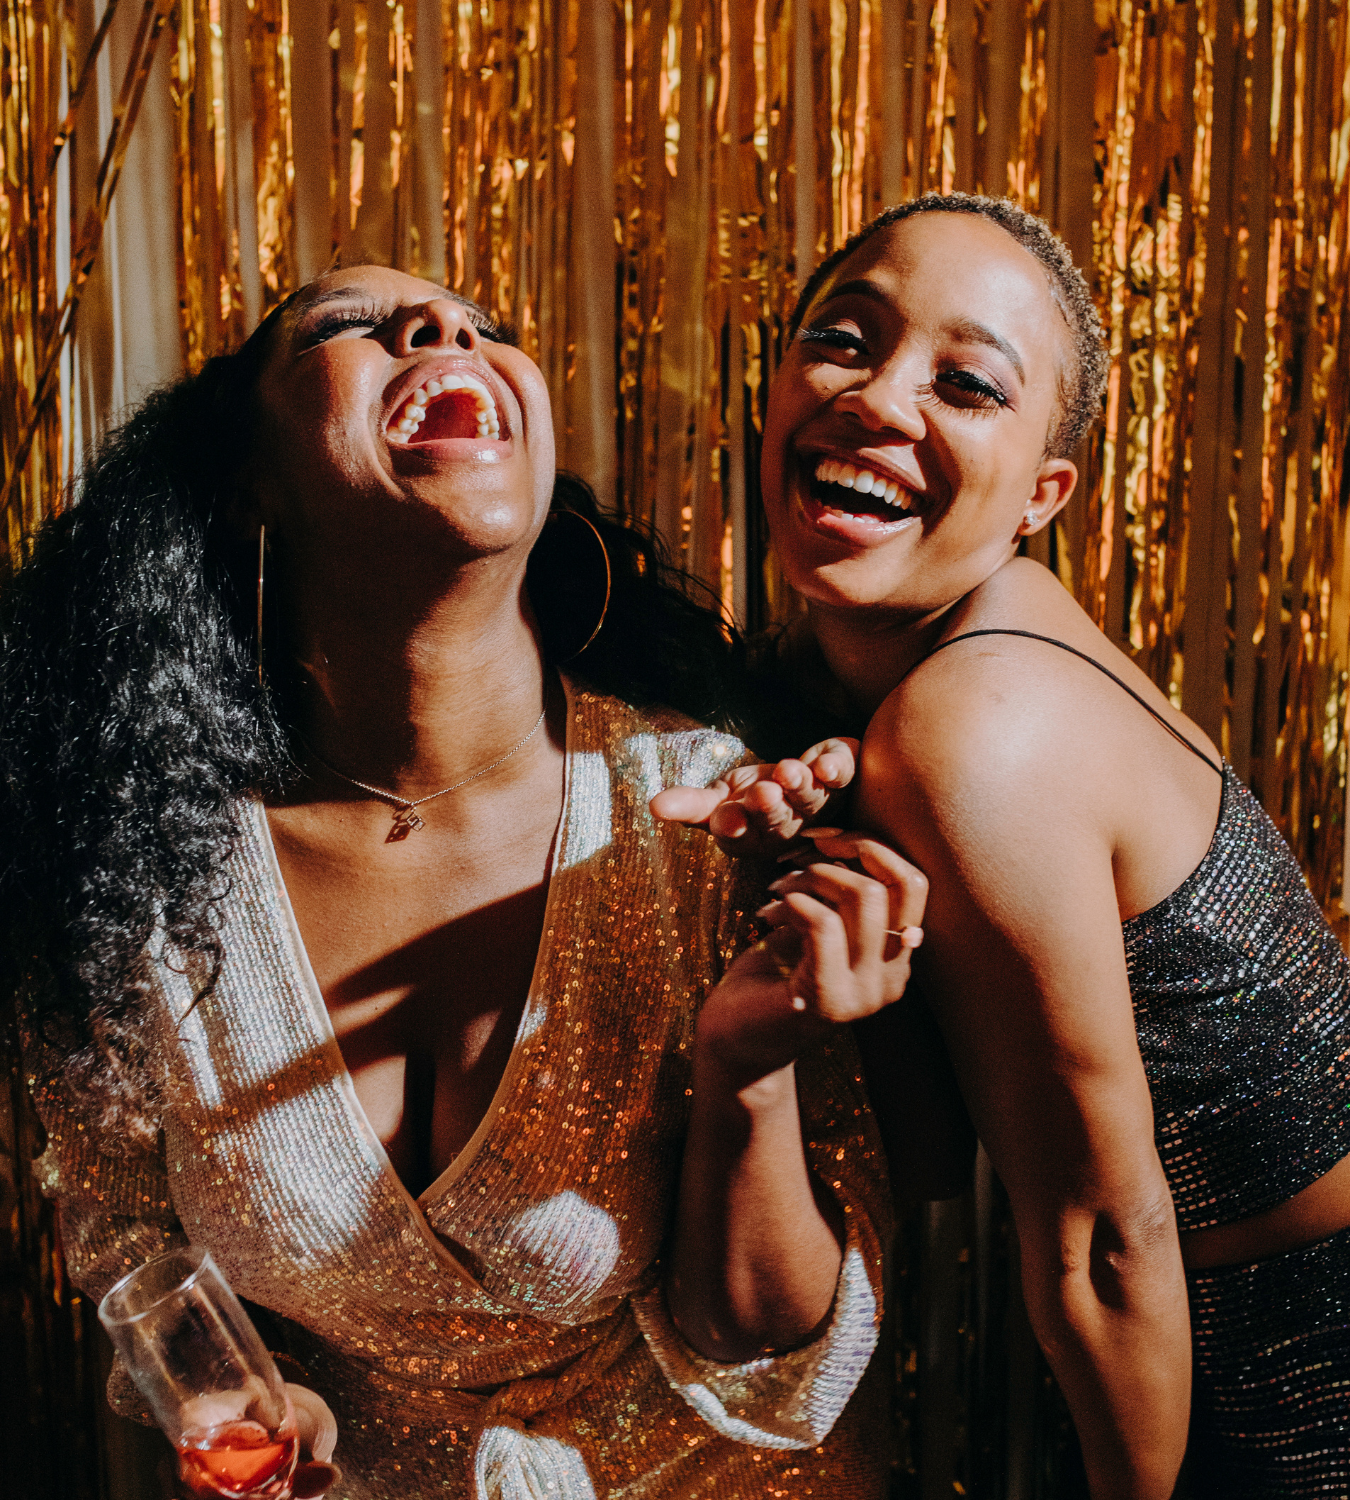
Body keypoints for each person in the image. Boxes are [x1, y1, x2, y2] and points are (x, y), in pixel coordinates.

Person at [0, 267, 929, 1500]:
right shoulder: (134, 871)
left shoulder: (711, 814)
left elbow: (766, 1352)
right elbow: (131, 1244)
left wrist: (750, 1065)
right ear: (247, 484)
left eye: (489, 325)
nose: (444, 330)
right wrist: (236, 1394)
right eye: (348, 327)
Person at [665, 193, 1350, 1498]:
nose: (877, 398)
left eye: (966, 383)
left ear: (1043, 492)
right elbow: (927, 1152)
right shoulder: (896, 670)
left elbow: (1105, 1242)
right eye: (843, 338)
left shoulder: (976, 724)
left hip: (1295, 1372)